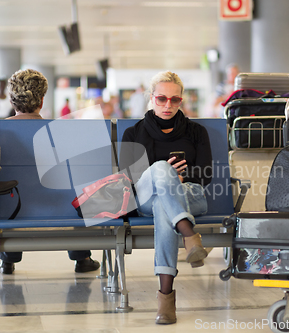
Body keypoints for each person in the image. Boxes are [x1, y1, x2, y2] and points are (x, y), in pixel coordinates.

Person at [119, 71, 212, 325]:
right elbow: (128, 179)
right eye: (161, 99)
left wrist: (178, 179)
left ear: (181, 100)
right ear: (152, 98)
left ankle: (166, 298)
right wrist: (164, 175)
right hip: (145, 198)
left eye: (174, 100)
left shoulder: (196, 132)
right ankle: (188, 234)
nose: (167, 105)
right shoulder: (133, 133)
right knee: (161, 169)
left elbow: (206, 175)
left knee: (164, 201)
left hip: (191, 195)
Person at [0, 69, 100, 274]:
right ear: (42, 101)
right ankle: (82, 257)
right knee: (76, 190)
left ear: (12, 101)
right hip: (61, 208)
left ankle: (8, 259)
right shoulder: (61, 131)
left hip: (11, 208)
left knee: (7, 194)